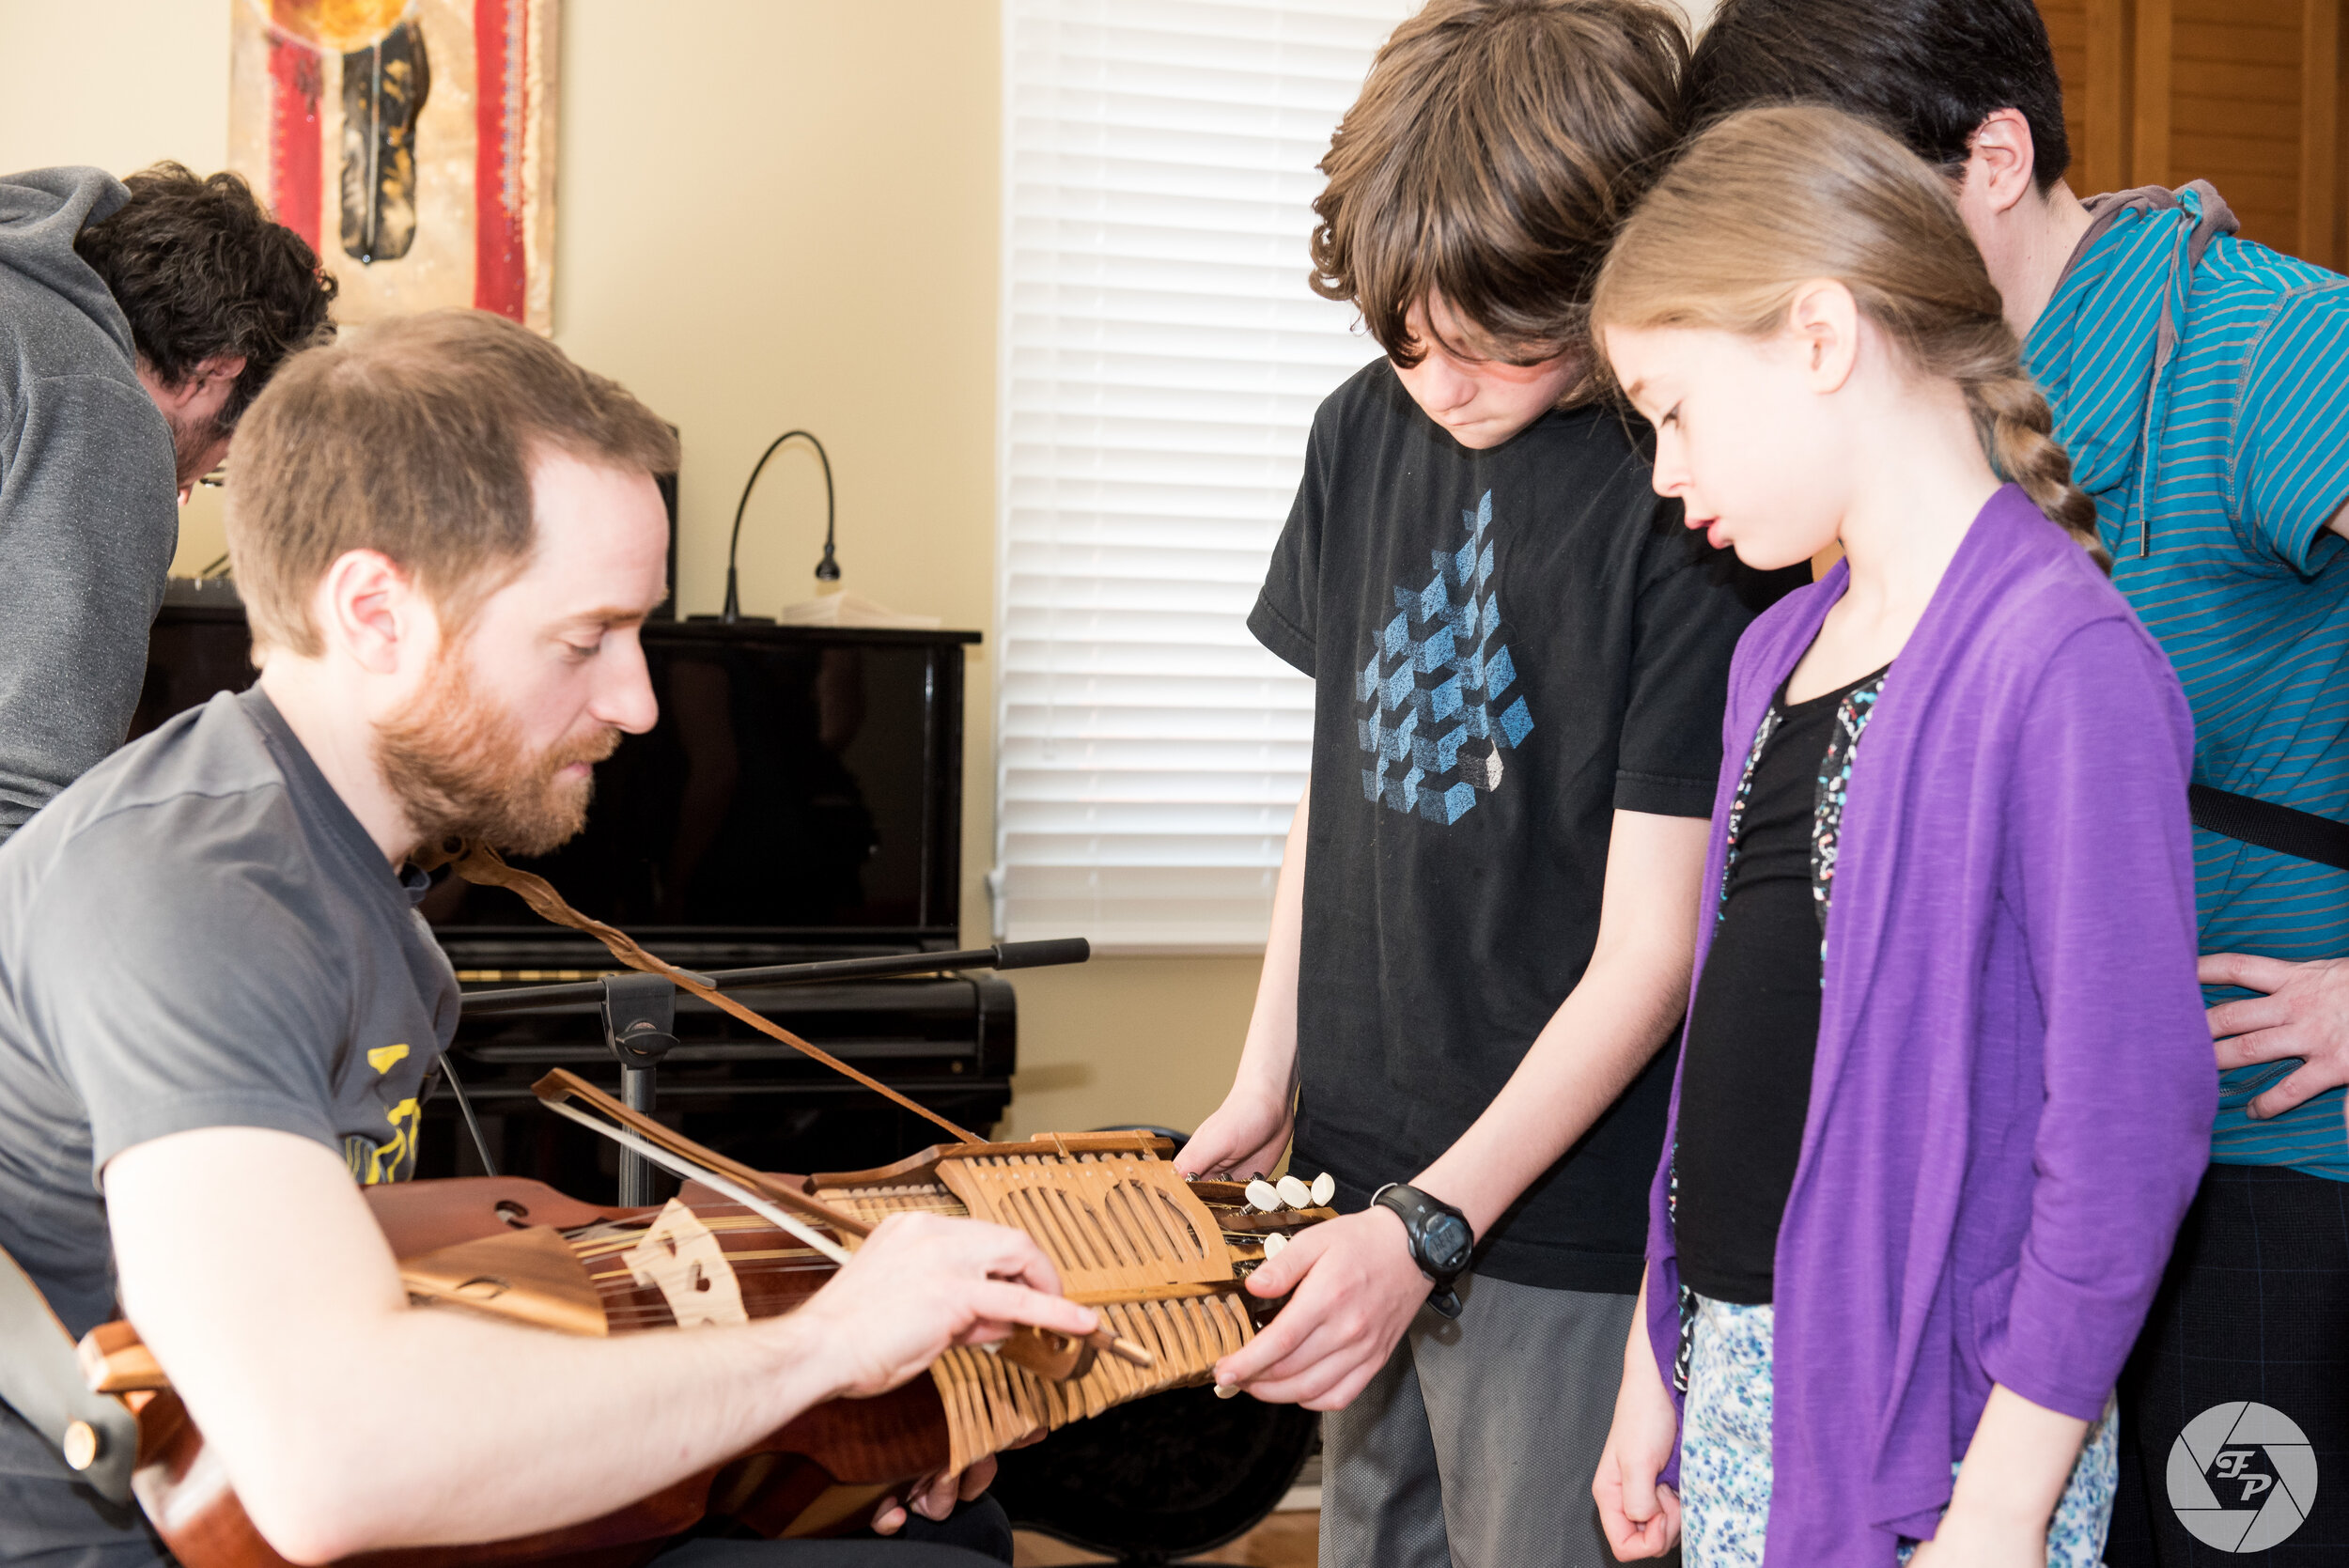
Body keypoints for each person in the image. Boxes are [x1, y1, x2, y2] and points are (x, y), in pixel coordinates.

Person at [0, 310, 1093, 1568]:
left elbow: (356, 1264)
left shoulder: (344, 864)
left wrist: (812, 1383)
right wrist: (823, 1346)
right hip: (115, 1535)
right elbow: (329, 1459)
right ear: (375, 612)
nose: (635, 702)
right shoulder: (191, 893)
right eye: (586, 639)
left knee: (945, 1525)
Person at [1681, 7, 2349, 1558]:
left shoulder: (2268, 352)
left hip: (2258, 1167)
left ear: (1993, 157)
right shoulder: (1899, 425)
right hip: (1998, 1213)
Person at [1174, 4, 1804, 1562]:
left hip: (1560, 1214)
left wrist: (1438, 1216)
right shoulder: (1356, 436)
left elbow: (1654, 950)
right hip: (1353, 1163)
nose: (1442, 381)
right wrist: (1272, 1074)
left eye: (1499, 342)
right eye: (1405, 338)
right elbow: (1336, 791)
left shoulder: (1682, 491)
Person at [1586, 104, 2215, 1567]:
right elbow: (1729, 1066)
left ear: (1820, 338)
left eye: (1674, 410)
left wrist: (2000, 1510)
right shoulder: (1777, 649)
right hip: (1740, 1377)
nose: (1666, 475)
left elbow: (2127, 1128)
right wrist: (1652, 1365)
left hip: (1952, 1444)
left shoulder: (2064, 663)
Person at [0, 162, 334, 844]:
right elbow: (27, 802)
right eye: (223, 453)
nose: (181, 488)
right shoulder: (101, 410)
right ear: (220, 369)